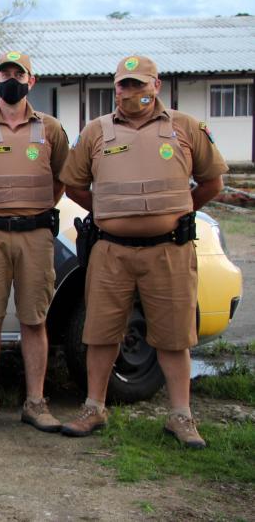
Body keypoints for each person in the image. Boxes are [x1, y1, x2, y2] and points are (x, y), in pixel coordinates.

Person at [59, 55, 227, 448]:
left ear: (157, 86)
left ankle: (181, 416)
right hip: (111, 252)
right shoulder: (96, 132)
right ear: (114, 88)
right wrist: (108, 212)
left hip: (168, 251)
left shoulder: (186, 128)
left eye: (138, 84)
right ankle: (93, 407)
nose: (130, 92)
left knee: (173, 336)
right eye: (123, 85)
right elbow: (73, 186)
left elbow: (212, 182)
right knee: (100, 334)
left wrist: (179, 213)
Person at [0, 51, 69, 433]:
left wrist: (32, 211)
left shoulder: (51, 129)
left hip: (36, 236)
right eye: (4, 73)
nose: (11, 79)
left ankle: (36, 403)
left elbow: (61, 180)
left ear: (30, 80)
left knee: (34, 321)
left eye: (18, 74)